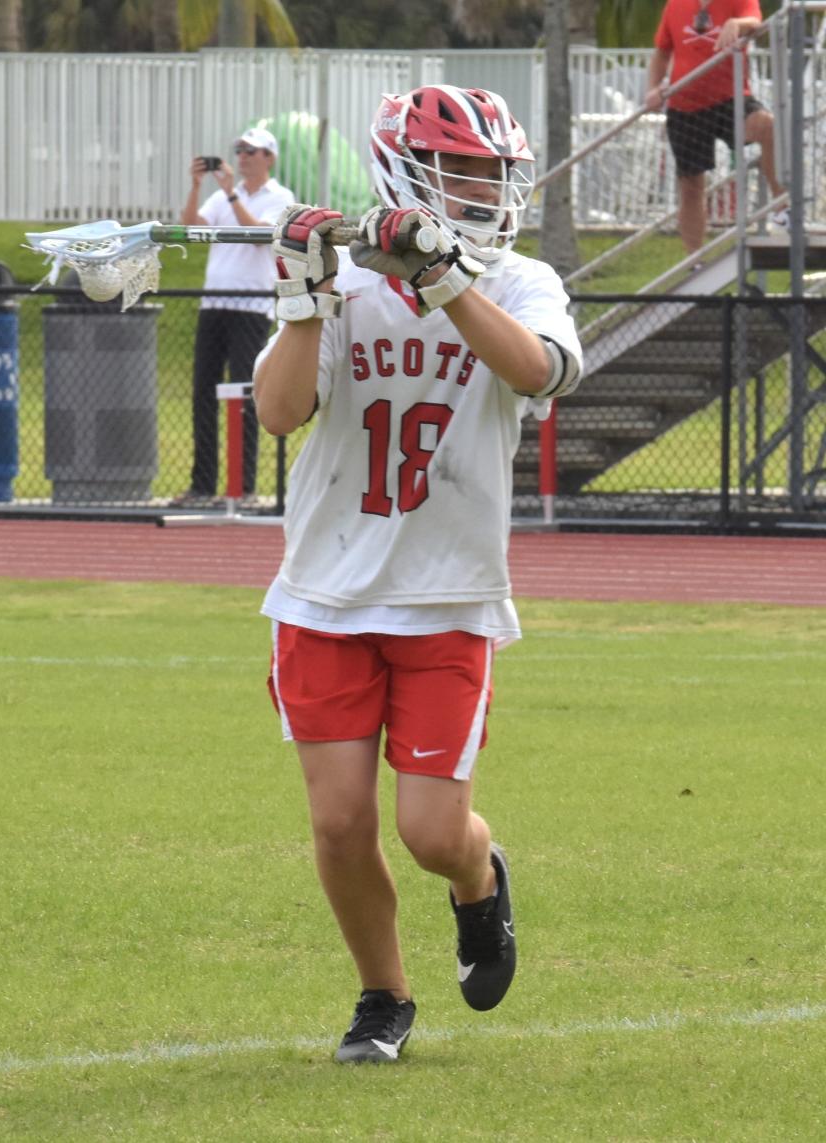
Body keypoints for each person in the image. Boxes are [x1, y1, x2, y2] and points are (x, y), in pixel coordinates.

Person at [253, 85, 583, 1064]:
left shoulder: (517, 280)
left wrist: (445, 277)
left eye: (495, 172)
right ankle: (382, 998)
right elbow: (278, 411)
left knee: (434, 833)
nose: (487, 187)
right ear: (408, 171)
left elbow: (537, 371)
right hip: (326, 589)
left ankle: (479, 881)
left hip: (448, 594)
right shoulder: (349, 287)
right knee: (341, 820)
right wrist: (300, 294)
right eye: (469, 171)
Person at [174, 127, 295, 504]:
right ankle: (202, 485)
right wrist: (196, 187)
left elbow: (258, 232)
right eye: (240, 150)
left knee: (246, 393)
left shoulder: (281, 198)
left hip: (252, 306)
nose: (243, 156)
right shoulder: (224, 195)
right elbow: (191, 226)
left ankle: (243, 487)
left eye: (252, 151)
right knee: (204, 393)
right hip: (215, 304)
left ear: (269, 158)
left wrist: (228, 193)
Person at [645, 0, 787, 255]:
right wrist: (654, 88)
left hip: (729, 98)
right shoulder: (676, 5)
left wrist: (736, 24)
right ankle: (695, 260)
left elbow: (755, 22)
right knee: (691, 185)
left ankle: (781, 208)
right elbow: (662, 51)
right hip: (684, 104)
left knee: (768, 126)